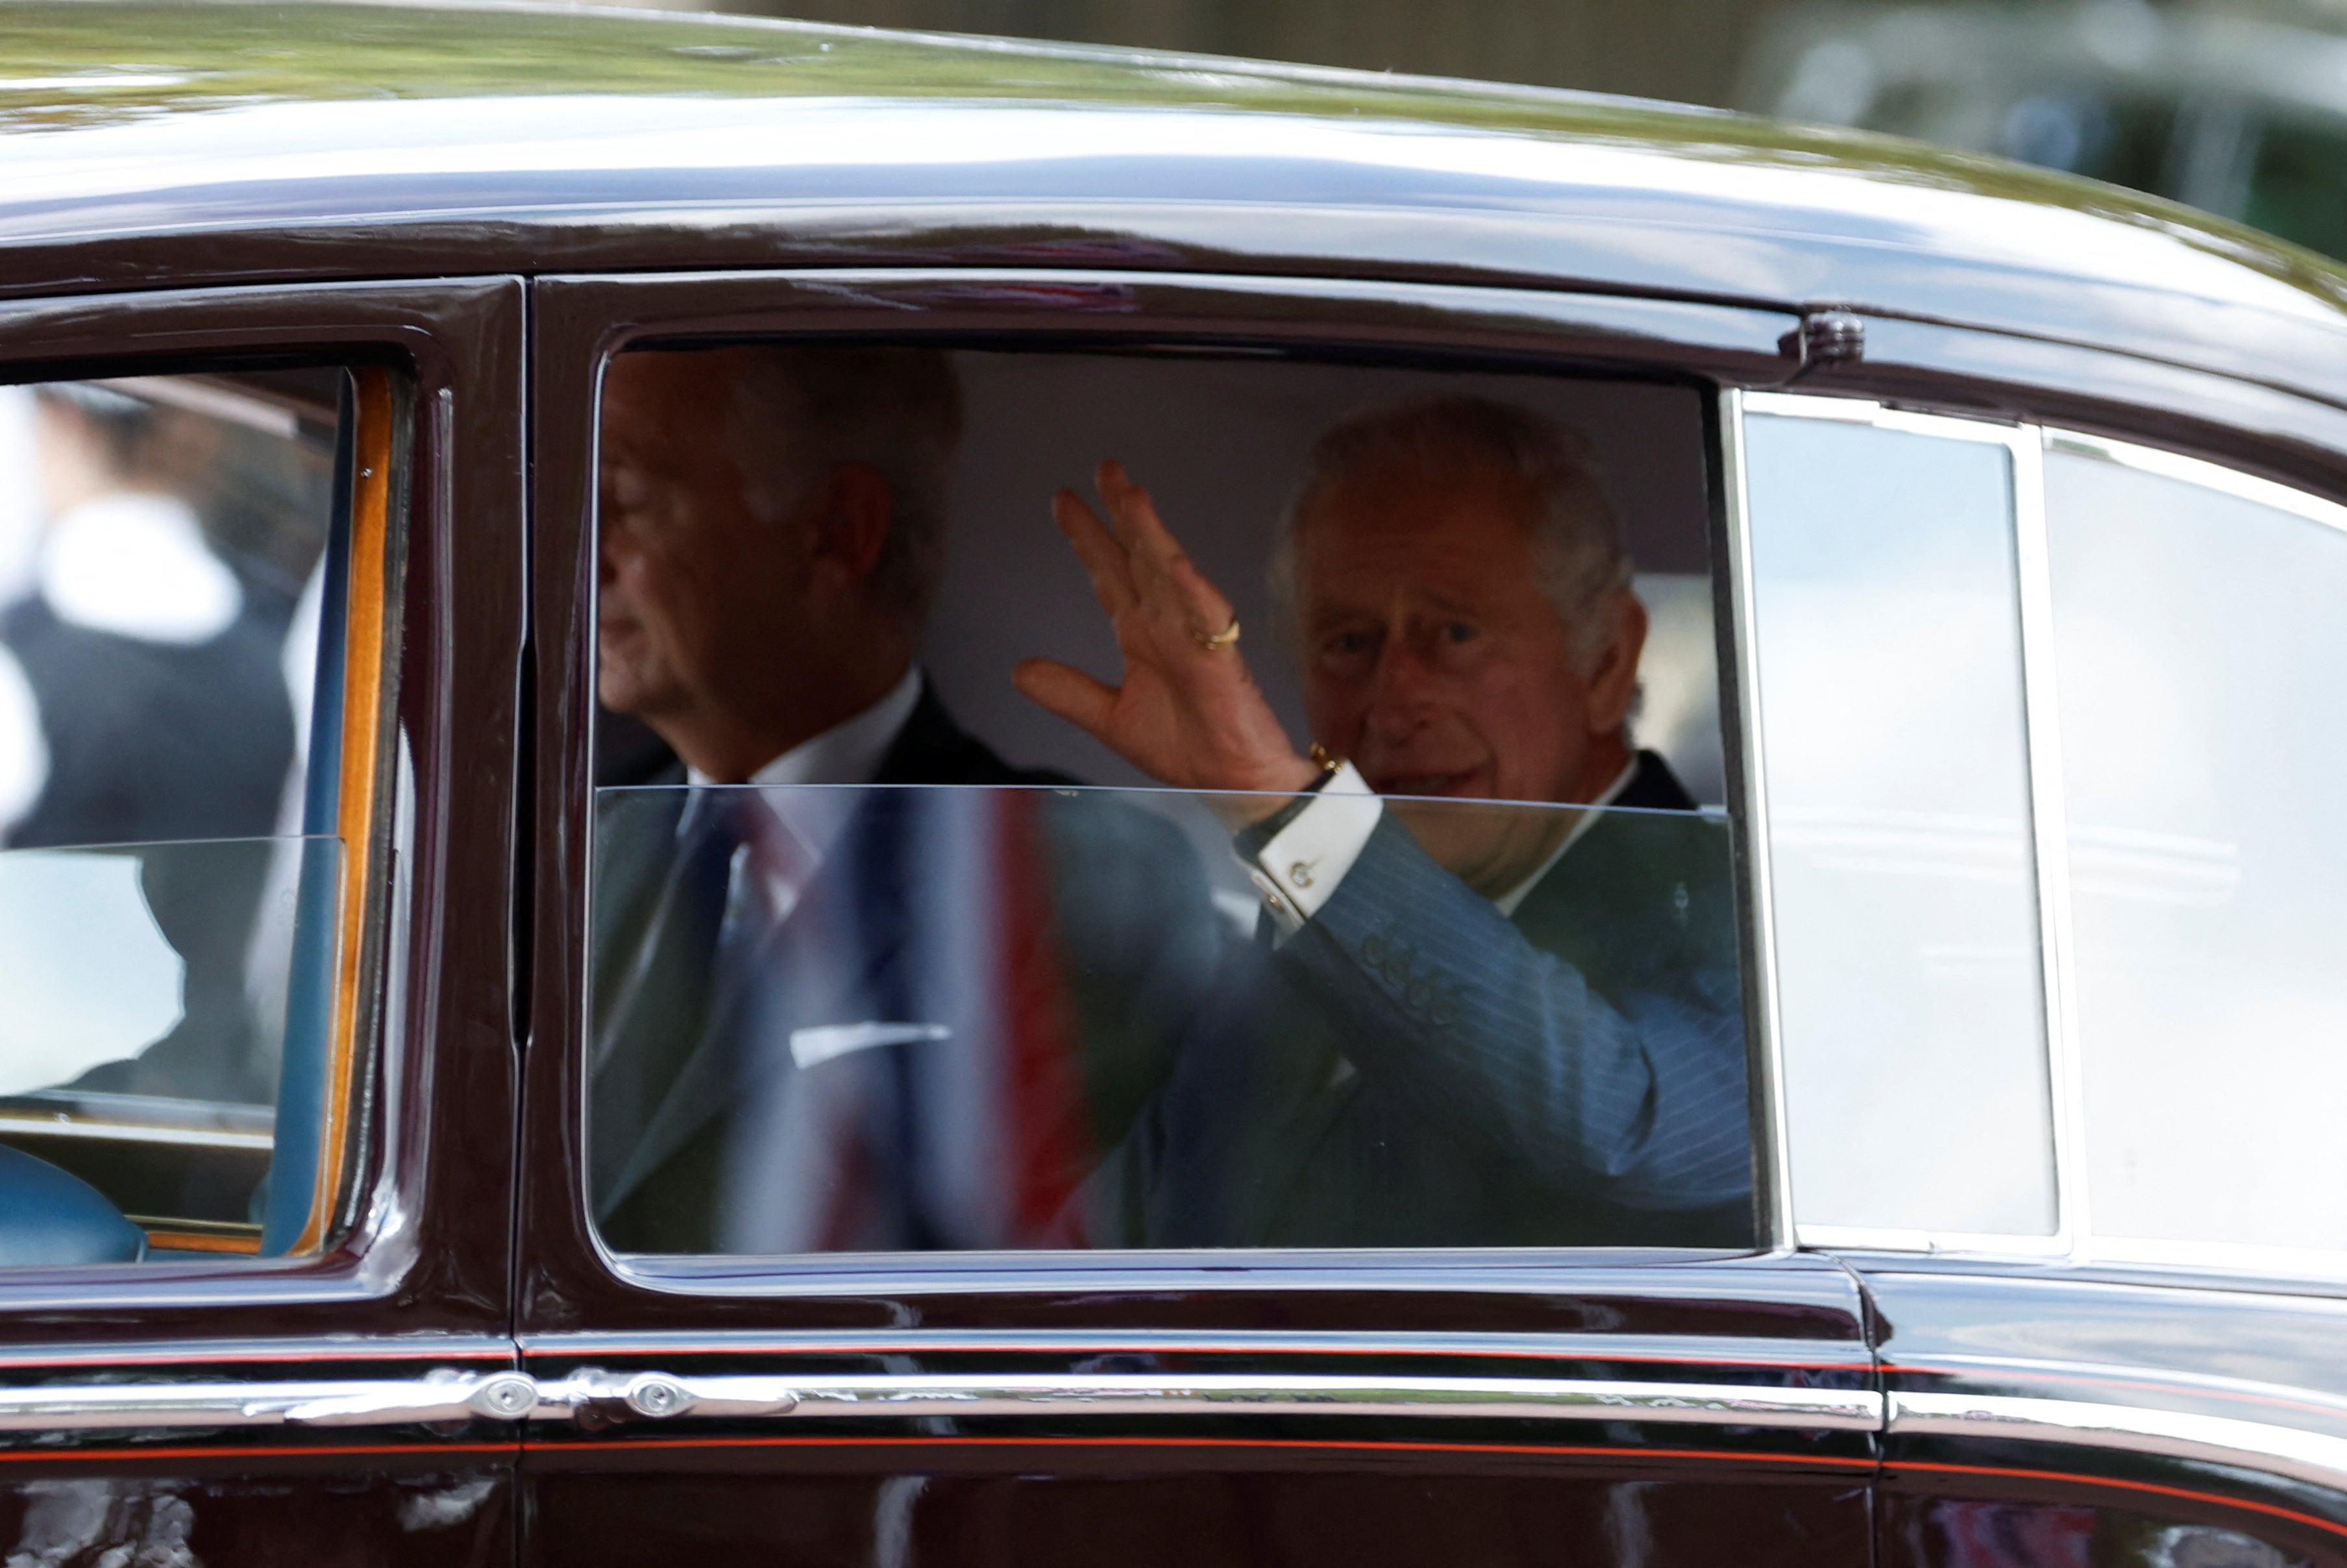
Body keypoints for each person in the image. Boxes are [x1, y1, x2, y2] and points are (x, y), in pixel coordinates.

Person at [1017, 395, 1752, 1247]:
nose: (1393, 704)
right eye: (1348, 643)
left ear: (1604, 660)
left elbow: (1622, 1132)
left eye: (1456, 632)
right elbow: (1109, 1251)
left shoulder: (1746, 912)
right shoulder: (1293, 944)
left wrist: (1277, 807)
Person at [589, 345, 1211, 1254]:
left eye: (630, 500)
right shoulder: (562, 847)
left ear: (838, 532)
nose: (583, 545)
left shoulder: (1069, 874)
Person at [1, 383, 295, 1109]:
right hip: (220, 1122)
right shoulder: (285, 649)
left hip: (41, 1145)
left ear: (60, 423)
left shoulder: (20, 654)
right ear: (201, 434)